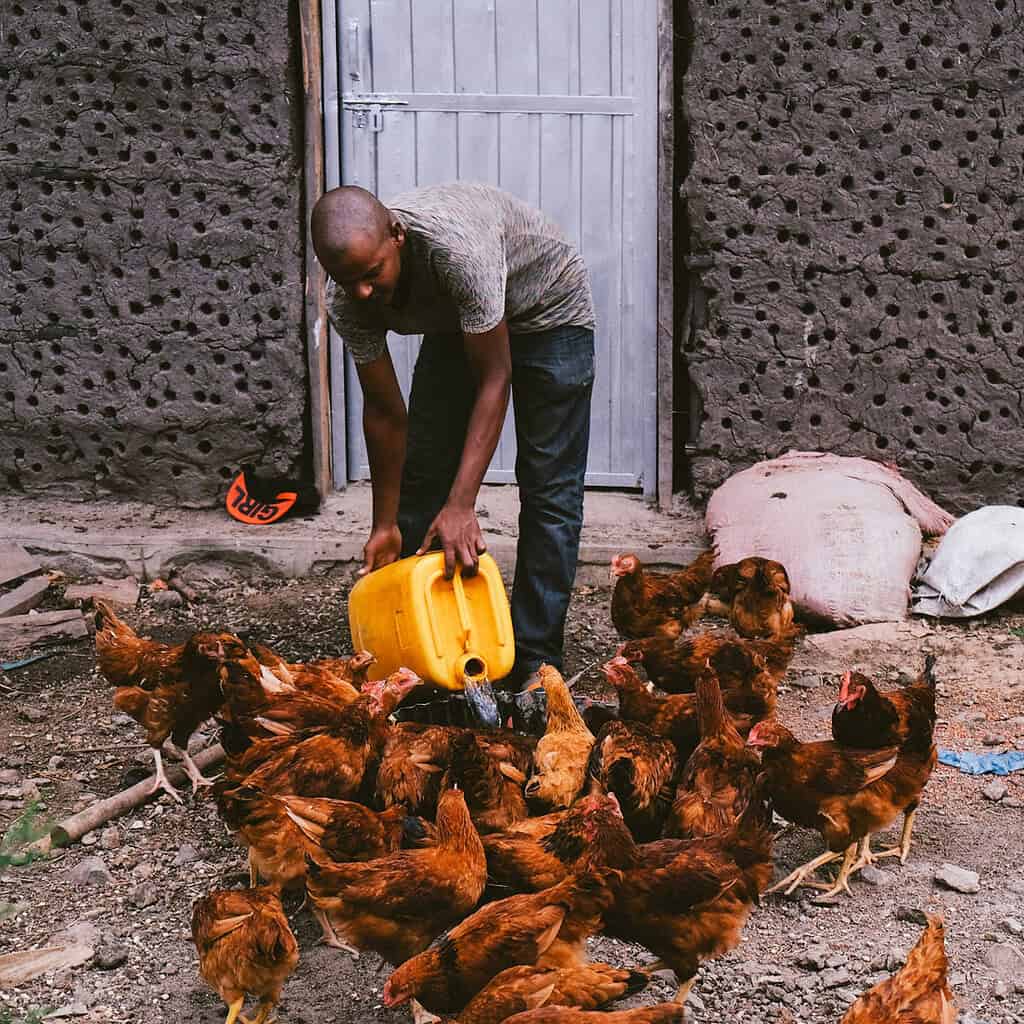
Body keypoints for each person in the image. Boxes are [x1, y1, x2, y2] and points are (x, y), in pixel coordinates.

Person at [311, 182, 595, 690]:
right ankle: (431, 654)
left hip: (550, 309)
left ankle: (533, 662)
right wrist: (384, 524)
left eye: (372, 274)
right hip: (461, 322)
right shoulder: (348, 297)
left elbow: (495, 378)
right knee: (423, 480)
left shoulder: (457, 249)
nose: (362, 293)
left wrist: (464, 505)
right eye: (346, 280)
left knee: (549, 490)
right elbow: (384, 412)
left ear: (397, 235)